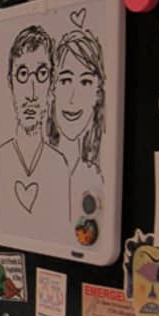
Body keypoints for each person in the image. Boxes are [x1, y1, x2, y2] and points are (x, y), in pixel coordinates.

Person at [0, 25, 68, 233]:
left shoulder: (59, 165)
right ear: (11, 83)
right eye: (23, 74)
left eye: (42, 74)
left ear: (52, 84)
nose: (32, 92)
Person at [47, 28, 105, 220]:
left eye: (86, 82)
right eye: (65, 80)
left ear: (97, 94)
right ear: (52, 89)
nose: (73, 97)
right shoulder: (40, 167)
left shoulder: (96, 175)